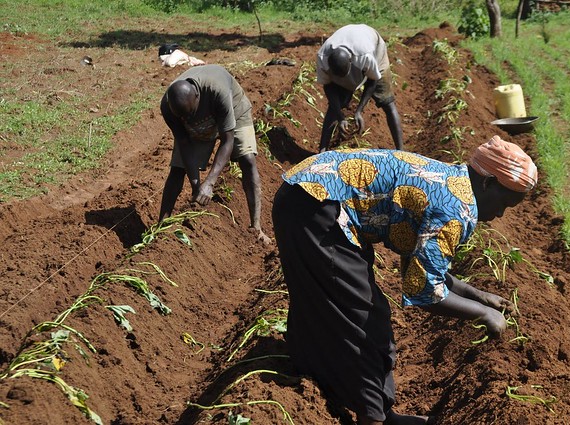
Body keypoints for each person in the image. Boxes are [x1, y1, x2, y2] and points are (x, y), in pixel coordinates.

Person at [272, 136, 538, 425]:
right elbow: (424, 291)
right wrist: (485, 314)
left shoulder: (451, 181)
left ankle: (343, 392)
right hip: (318, 204)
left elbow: (426, 266)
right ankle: (373, 417)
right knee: (366, 319)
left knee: (322, 300)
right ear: (487, 184)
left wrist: (479, 296)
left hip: (308, 195)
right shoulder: (455, 209)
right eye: (504, 204)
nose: (500, 214)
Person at [159, 64, 270, 244]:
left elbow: (228, 140)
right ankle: (161, 226)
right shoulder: (168, 106)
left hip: (234, 109)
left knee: (248, 159)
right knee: (177, 168)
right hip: (200, 124)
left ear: (197, 96)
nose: (186, 119)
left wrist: (209, 183)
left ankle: (256, 227)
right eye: (183, 117)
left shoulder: (218, 92)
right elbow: (184, 142)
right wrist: (196, 185)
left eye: (190, 113)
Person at [316, 24, 403, 152]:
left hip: (375, 48)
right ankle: (321, 152)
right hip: (352, 46)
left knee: (387, 102)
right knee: (334, 106)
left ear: (351, 63)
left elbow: (372, 81)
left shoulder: (365, 55)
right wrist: (340, 117)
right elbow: (328, 87)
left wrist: (359, 111)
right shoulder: (322, 57)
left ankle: (401, 151)